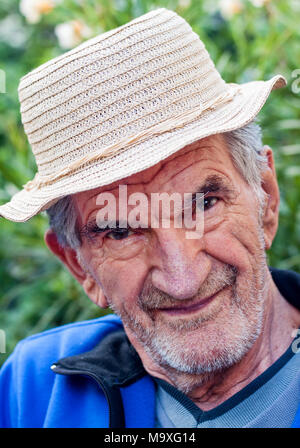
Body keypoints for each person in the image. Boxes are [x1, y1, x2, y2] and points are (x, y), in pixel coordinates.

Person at [0, 8, 299, 428]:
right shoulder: (30, 388)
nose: (183, 278)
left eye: (204, 204)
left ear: (265, 198)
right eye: (121, 232)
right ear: (78, 264)